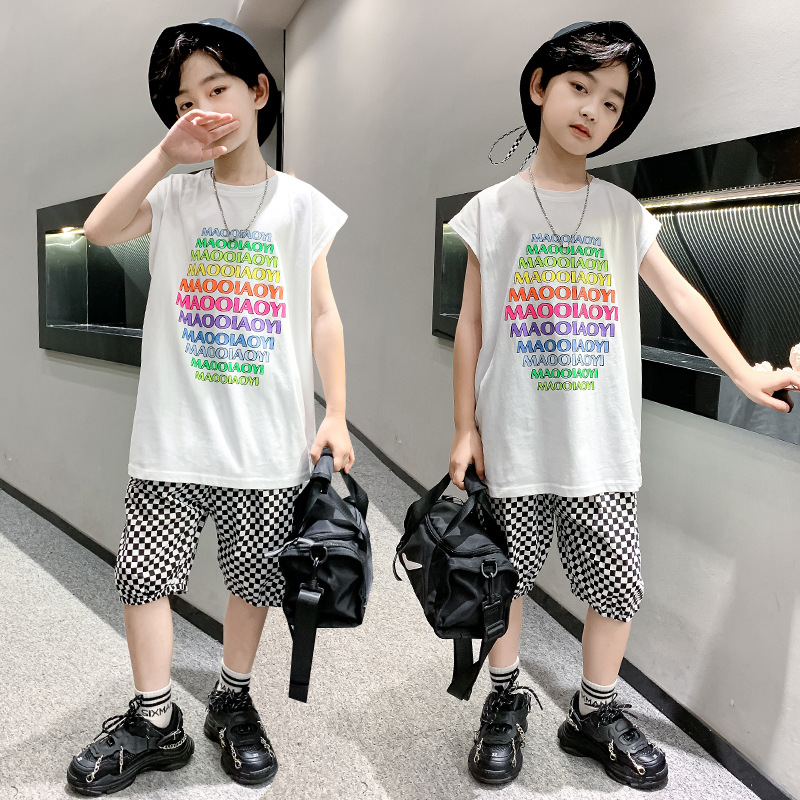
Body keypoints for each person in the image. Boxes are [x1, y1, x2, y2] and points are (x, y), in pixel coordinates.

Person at [447, 20, 800, 790]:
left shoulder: (622, 213)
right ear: (540, 85)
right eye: (580, 88)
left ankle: (596, 709)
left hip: (601, 448)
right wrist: (464, 428)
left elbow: (682, 297)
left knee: (616, 584)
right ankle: (504, 699)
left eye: (612, 103)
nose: (593, 111)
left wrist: (745, 374)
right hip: (512, 442)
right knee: (503, 581)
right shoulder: (490, 210)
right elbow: (470, 325)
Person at [67, 18, 353, 794]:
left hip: (266, 444)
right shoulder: (174, 196)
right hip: (172, 438)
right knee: (143, 578)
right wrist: (167, 154)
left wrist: (335, 412)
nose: (203, 111)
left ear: (258, 91)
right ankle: (155, 718)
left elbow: (324, 314)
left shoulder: (301, 205)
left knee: (254, 582)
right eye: (185, 102)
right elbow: (98, 229)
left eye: (217, 89)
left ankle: (231, 699)